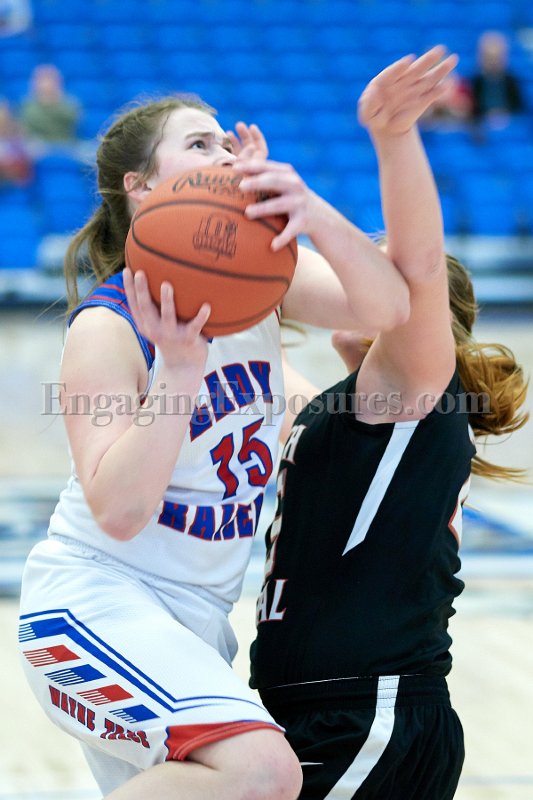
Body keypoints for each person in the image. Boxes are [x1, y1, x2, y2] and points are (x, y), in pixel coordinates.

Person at [17, 90, 412, 799]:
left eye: (228, 145)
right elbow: (118, 512)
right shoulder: (108, 327)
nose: (224, 156)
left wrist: (305, 208)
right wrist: (177, 368)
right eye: (199, 145)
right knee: (263, 771)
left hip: (197, 618)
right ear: (141, 188)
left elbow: (388, 308)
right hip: (95, 602)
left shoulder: (263, 279)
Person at [250, 48, 529, 800]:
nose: (352, 283)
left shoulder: (414, 393)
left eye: (371, 266)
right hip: (323, 710)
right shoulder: (344, 411)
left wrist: (393, 137)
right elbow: (263, 361)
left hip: (366, 712)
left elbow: (420, 269)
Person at [470, 31, 525, 126]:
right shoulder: (474, 81)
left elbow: (519, 108)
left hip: (509, 126)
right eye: (489, 57)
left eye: (496, 57)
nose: (493, 62)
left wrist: (504, 115)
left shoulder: (512, 81)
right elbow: (471, 111)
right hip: (482, 126)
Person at [20, 64, 81, 143]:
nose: (46, 85)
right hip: (36, 145)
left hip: (65, 144)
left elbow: (73, 119)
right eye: (42, 80)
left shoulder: (70, 103)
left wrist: (54, 101)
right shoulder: (27, 105)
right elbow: (27, 125)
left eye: (50, 80)